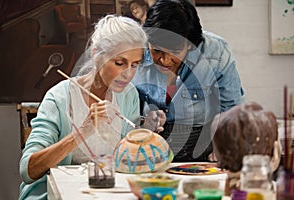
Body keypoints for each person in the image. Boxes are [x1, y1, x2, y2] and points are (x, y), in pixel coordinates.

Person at [19, 14, 165, 200]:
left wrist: (146, 131)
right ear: (96, 53)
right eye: (119, 63)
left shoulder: (128, 95)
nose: (128, 74)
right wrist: (83, 132)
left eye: (134, 65)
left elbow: (127, 159)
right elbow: (28, 170)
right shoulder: (60, 97)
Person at [132, 0, 245, 162]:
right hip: (147, 148)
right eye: (156, 50)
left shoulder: (215, 52)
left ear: (191, 45)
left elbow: (232, 109)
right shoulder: (135, 52)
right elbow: (124, 105)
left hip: (202, 147)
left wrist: (224, 146)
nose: (164, 60)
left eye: (175, 52)